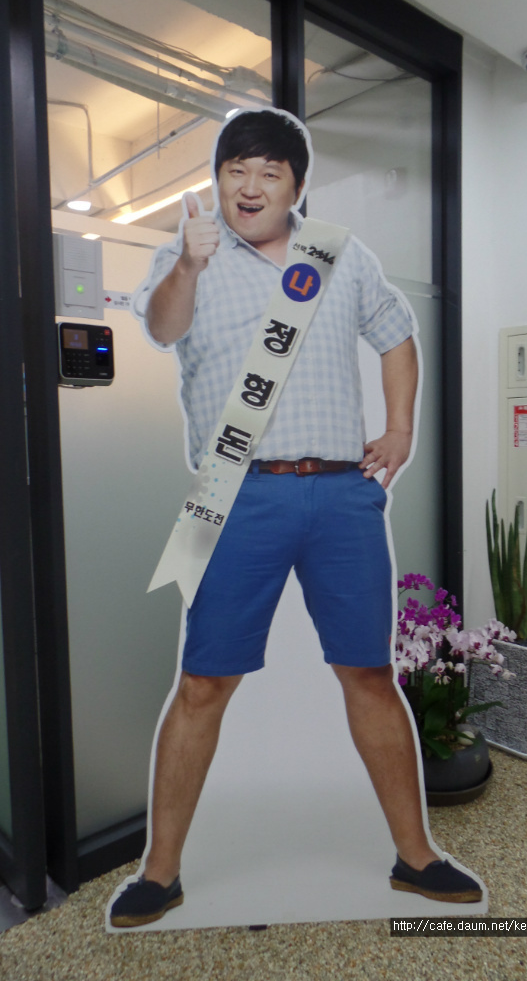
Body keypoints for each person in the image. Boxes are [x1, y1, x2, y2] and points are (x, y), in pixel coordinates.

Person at [110, 109, 481, 927]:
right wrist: (189, 266)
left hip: (343, 494)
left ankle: (416, 857)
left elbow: (397, 335)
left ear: (297, 186)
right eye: (235, 170)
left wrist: (401, 427)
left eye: (268, 172)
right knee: (204, 682)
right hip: (232, 490)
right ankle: (160, 874)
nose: (249, 187)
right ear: (218, 179)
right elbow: (162, 327)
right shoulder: (189, 254)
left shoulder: (339, 254)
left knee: (369, 673)